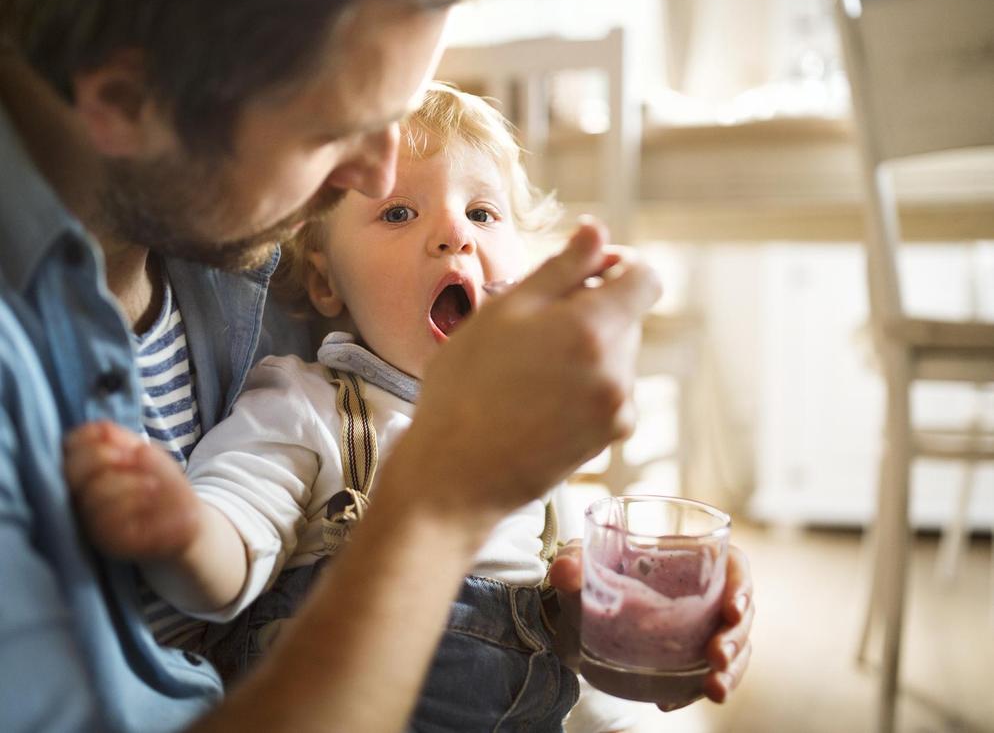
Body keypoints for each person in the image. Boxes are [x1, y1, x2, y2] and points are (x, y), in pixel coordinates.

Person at [0, 0, 753, 731]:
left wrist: (621, 620)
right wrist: (439, 497)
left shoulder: (236, 235)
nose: (375, 173)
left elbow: (553, 597)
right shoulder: (303, 377)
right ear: (125, 102)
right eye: (336, 131)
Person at [67, 82, 637, 731]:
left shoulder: (532, 429)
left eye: (482, 213)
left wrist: (613, 613)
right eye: (398, 214)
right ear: (324, 281)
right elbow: (232, 544)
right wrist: (182, 533)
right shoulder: (306, 402)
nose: (455, 234)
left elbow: (561, 614)